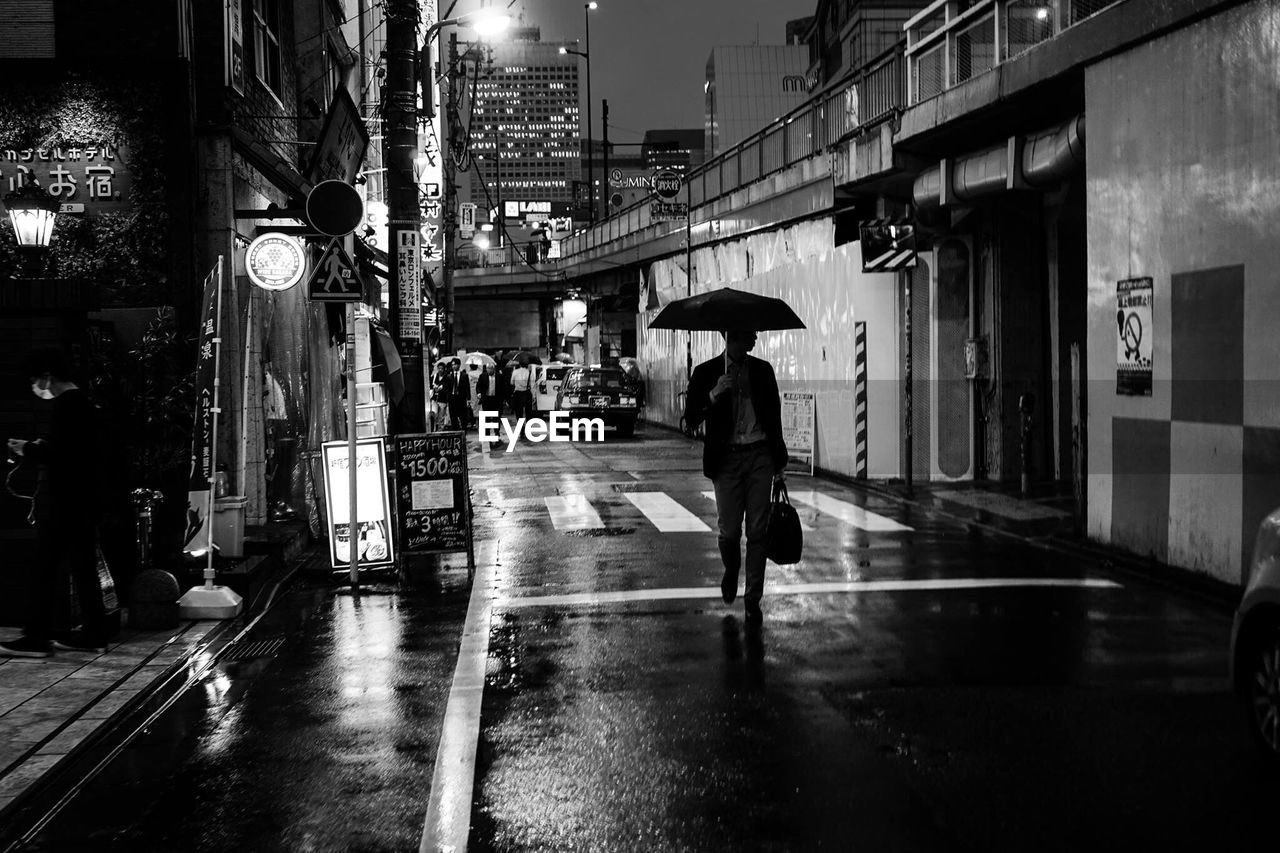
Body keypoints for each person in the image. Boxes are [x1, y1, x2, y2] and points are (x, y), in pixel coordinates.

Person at [2, 348, 110, 657]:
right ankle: (93, 633)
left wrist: (30, 450)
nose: (35, 386)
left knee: (44, 567)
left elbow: (64, 455)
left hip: (65, 501)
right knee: (83, 567)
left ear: (48, 376)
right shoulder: (86, 404)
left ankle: (36, 637)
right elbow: (80, 451)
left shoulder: (68, 405)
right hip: (84, 500)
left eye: (36, 379)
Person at [683, 330, 787, 626]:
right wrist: (714, 394)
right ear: (731, 337)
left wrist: (779, 463)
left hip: (759, 456)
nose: (753, 338)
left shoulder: (763, 371)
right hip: (726, 459)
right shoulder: (706, 372)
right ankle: (731, 569)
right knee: (729, 530)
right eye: (748, 334)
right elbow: (690, 419)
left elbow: (774, 417)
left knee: (757, 530)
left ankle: (753, 597)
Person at [474, 364, 499, 452]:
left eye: (491, 369)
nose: (489, 370)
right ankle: (487, 434)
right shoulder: (483, 376)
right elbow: (478, 386)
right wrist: (479, 393)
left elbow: (502, 387)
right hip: (486, 399)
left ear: (494, 369)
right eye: (488, 369)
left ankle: (497, 433)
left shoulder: (499, 376)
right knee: (487, 418)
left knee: (496, 417)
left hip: (496, 399)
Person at [447, 358, 472, 430]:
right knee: (453, 417)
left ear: (459, 365)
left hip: (461, 398)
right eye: (452, 365)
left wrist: (468, 399)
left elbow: (467, 388)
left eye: (455, 364)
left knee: (463, 417)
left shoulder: (464, 375)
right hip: (452, 398)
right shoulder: (449, 376)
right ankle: (456, 431)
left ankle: (464, 432)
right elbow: (448, 388)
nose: (453, 366)